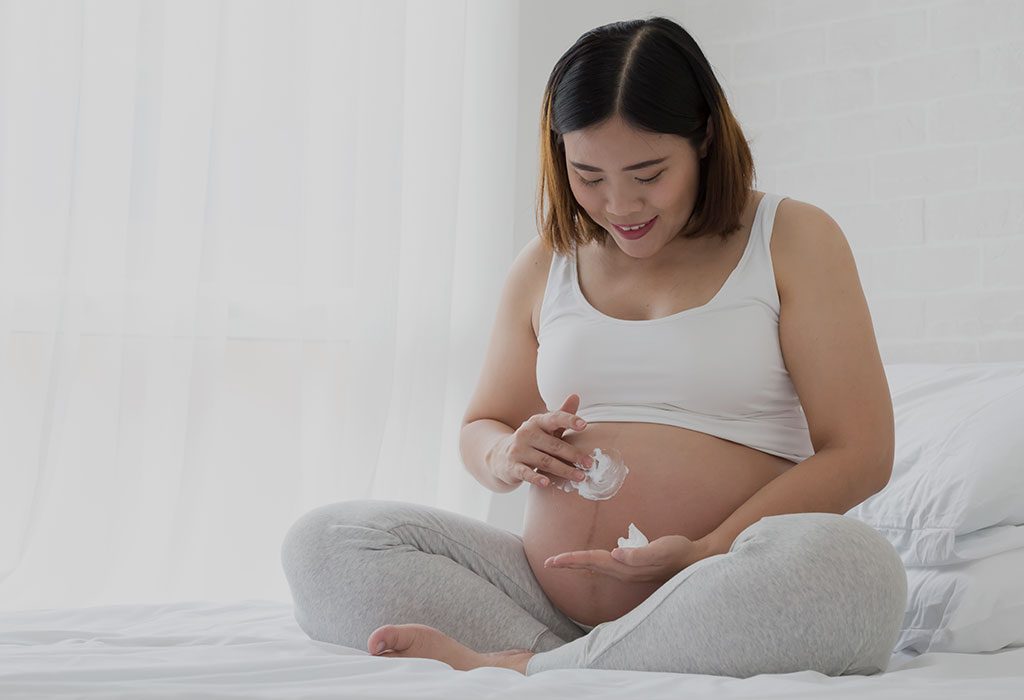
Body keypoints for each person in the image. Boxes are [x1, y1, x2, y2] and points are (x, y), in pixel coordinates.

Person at [280, 16, 907, 677]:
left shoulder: (791, 239)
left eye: (648, 173)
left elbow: (862, 453)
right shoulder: (545, 262)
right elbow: (482, 425)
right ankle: (566, 662)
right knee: (326, 543)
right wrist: (505, 452)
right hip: (540, 598)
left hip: (721, 585)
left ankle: (532, 670)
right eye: (589, 175)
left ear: (705, 140)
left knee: (857, 572)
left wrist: (709, 549)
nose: (619, 204)